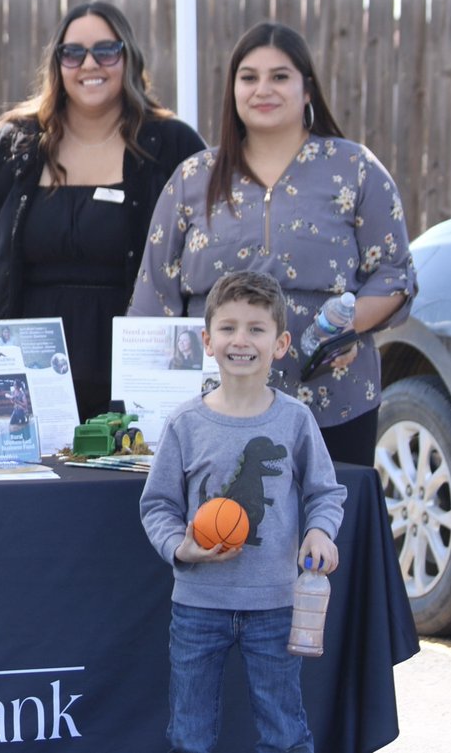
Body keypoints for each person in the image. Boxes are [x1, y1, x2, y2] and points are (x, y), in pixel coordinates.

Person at [128, 20, 416, 465]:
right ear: (233, 90)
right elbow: (153, 300)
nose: (263, 89)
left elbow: (394, 276)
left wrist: (342, 328)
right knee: (220, 534)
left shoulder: (354, 169)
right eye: (249, 77)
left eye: (280, 76)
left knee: (323, 532)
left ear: (307, 90)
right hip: (216, 412)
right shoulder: (193, 178)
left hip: (333, 404)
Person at [0, 1, 204, 420]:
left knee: (132, 484)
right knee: (32, 484)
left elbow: (201, 249)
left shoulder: (173, 147)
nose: (89, 63)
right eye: (73, 53)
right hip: (30, 373)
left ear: (128, 58)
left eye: (106, 50)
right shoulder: (8, 150)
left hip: (141, 371)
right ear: (57, 64)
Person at [140, 270, 346, 753]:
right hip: (197, 605)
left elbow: (325, 492)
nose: (241, 340)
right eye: (229, 328)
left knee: (285, 732)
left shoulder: (295, 420)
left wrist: (320, 533)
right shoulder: (185, 423)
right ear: (207, 341)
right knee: (189, 734)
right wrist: (180, 546)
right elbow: (158, 505)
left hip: (276, 604)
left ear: (280, 344)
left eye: (257, 329)